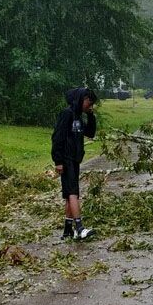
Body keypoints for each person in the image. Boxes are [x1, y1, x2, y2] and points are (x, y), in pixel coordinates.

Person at [52, 87, 97, 239]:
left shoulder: (78, 116)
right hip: (65, 159)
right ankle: (79, 228)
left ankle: (67, 230)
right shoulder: (67, 114)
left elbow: (90, 133)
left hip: (75, 159)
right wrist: (58, 161)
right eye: (89, 103)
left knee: (70, 194)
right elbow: (57, 137)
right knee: (73, 194)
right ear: (81, 99)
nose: (90, 106)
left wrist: (91, 115)